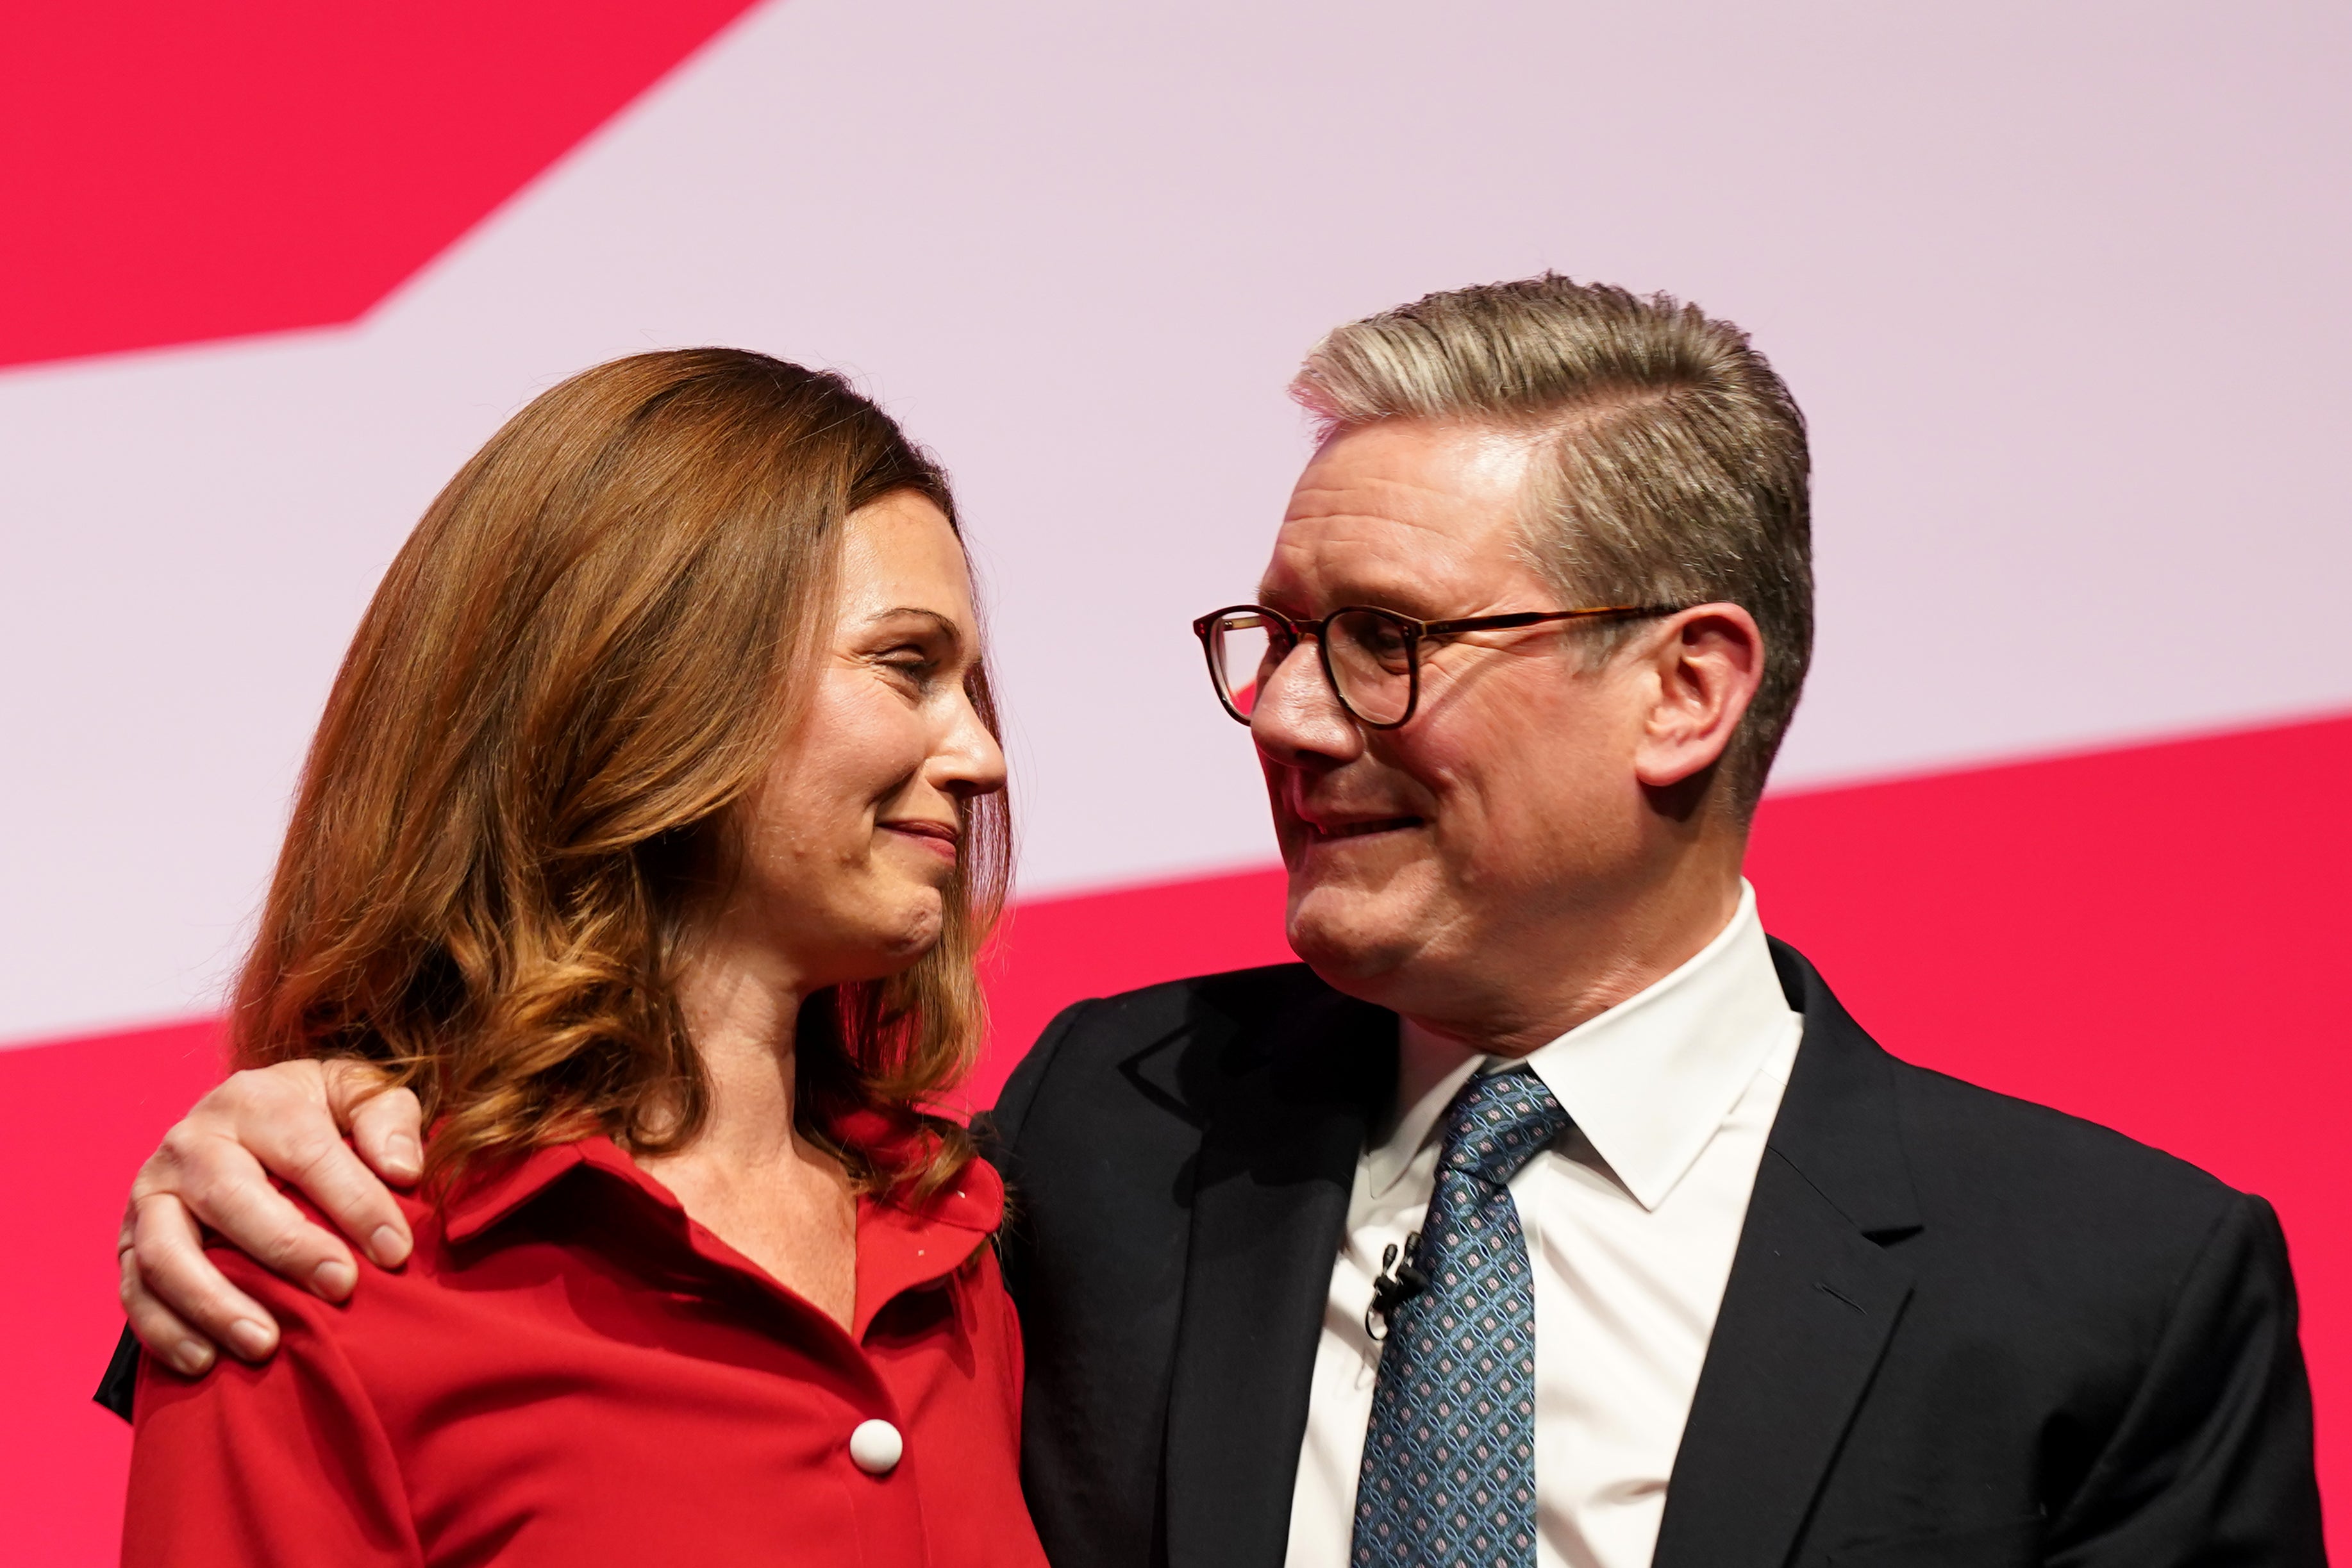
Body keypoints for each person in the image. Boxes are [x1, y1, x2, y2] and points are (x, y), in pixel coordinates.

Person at [108, 280, 2325, 1567]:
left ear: (1687, 684)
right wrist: (294, 1119)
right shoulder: (1095, 1147)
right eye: (1266, 633)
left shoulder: (2113, 1297)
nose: (1281, 714)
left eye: (1381, 640)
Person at [106, 348, 1048, 1568]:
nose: (981, 755)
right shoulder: (320, 1267)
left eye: (971, 685)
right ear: (649, 675)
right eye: (906, 665)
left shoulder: (956, 1241)